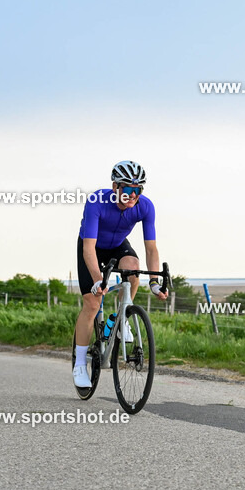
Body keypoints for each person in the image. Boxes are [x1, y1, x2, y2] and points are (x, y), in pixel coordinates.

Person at [73, 161, 168, 388]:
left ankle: (120, 317)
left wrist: (154, 282)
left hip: (117, 245)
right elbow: (88, 248)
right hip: (91, 246)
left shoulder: (145, 207)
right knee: (92, 303)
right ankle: (79, 364)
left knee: (133, 267)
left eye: (138, 190)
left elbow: (151, 248)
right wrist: (98, 280)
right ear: (115, 186)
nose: (133, 195)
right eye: (128, 189)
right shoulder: (97, 201)